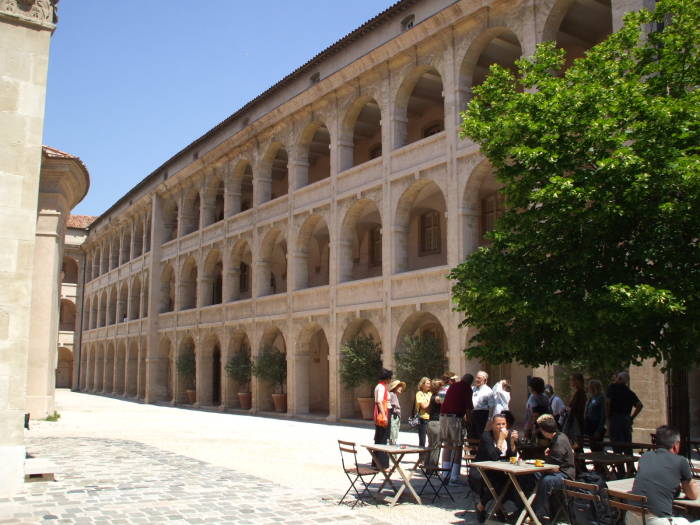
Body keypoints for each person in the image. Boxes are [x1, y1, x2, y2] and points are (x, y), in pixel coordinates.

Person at [628, 425, 699, 525]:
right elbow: (693, 495)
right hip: (656, 520)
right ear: (676, 445)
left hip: (631, 517)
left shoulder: (645, 457)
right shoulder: (681, 461)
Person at [468, 413, 520, 522]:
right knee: (495, 482)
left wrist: (512, 443)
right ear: (492, 425)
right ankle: (482, 506)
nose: (501, 427)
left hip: (499, 469)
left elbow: (512, 457)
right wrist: (500, 440)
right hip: (482, 469)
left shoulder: (508, 435)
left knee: (512, 481)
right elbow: (493, 457)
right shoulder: (487, 437)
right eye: (498, 424)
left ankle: (499, 507)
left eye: (503, 424)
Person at [532, 414, 576, 523]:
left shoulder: (559, 441)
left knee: (546, 481)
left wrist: (546, 458)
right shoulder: (559, 436)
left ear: (544, 430)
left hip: (565, 475)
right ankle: (532, 508)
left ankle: (541, 514)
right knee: (533, 476)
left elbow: (554, 466)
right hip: (558, 472)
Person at [439, 372, 474, 485]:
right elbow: (469, 408)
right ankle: (454, 476)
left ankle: (445, 475)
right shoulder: (467, 388)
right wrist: (469, 422)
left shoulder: (453, 386)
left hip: (443, 417)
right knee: (457, 446)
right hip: (455, 418)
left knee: (447, 445)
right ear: (470, 382)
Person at [606, 371, 643, 449]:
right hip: (626, 418)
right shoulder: (630, 392)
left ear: (619, 378)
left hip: (615, 418)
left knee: (616, 444)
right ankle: (629, 460)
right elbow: (639, 405)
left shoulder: (612, 388)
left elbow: (608, 402)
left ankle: (619, 460)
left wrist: (608, 416)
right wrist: (632, 417)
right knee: (627, 445)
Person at [373, 368, 393, 468]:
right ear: (386, 378)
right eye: (390, 378)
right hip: (384, 413)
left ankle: (377, 462)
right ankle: (381, 463)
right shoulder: (381, 387)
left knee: (380, 437)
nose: (390, 380)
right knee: (382, 438)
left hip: (384, 412)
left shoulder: (380, 386)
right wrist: (384, 415)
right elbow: (379, 401)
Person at [562, 373, 586, 445]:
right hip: (575, 420)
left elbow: (576, 408)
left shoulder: (580, 393)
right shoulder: (577, 393)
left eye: (572, 380)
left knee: (576, 442)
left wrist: (567, 409)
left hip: (576, 421)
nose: (571, 382)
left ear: (577, 381)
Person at [426, 379, 443, 469]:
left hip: (430, 423)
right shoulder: (437, 398)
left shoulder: (432, 396)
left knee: (430, 444)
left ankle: (427, 465)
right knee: (436, 446)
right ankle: (433, 467)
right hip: (436, 423)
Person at [471, 370, 493, 438]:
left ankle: (480, 448)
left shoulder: (488, 391)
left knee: (480, 434)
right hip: (472, 414)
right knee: (471, 434)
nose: (477, 380)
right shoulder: (473, 388)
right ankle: (473, 448)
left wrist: (489, 420)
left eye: (479, 378)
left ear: (485, 380)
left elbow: (491, 406)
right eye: (476, 378)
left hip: (482, 415)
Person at [583, 379, 605, 444]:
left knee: (597, 446)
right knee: (592, 445)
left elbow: (603, 414)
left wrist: (599, 430)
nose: (589, 389)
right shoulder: (591, 398)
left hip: (596, 424)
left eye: (590, 387)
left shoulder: (601, 398)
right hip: (590, 425)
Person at [415, 377, 432, 449]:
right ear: (422, 384)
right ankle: (421, 458)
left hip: (431, 419)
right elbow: (424, 406)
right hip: (423, 419)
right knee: (422, 440)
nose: (429, 385)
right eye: (427, 383)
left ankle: (428, 458)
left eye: (429, 383)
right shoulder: (419, 394)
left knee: (431, 440)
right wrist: (431, 401)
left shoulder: (430, 393)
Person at [388, 379, 406, 446]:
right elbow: (391, 407)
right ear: (395, 387)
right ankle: (391, 455)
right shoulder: (392, 394)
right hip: (393, 417)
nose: (401, 388)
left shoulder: (394, 395)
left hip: (396, 418)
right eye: (399, 386)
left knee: (394, 437)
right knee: (392, 437)